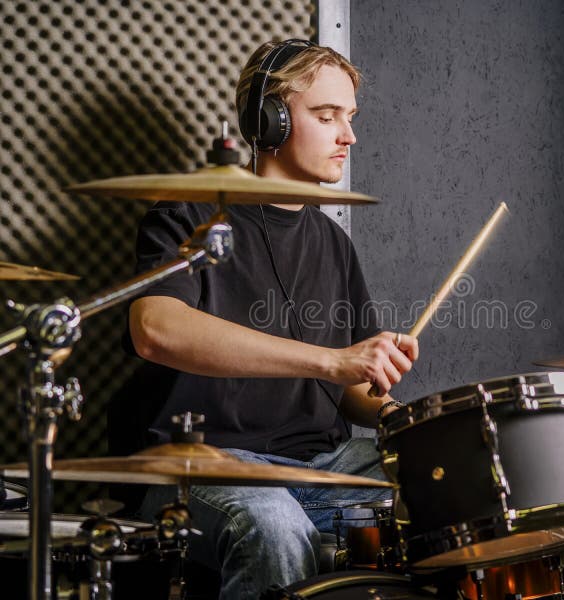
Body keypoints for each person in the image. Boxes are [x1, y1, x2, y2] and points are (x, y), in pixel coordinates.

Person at [125, 39, 418, 599]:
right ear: (270, 120)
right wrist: (333, 360)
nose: (348, 136)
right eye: (327, 116)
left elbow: (353, 391)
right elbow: (155, 329)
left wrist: (399, 411)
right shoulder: (189, 215)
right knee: (273, 524)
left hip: (322, 464)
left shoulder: (333, 242)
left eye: (350, 117)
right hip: (202, 464)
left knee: (440, 485)